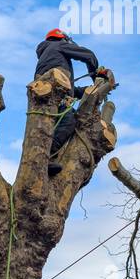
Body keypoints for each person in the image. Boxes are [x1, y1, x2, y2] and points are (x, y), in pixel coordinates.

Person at [34, 29, 108, 175]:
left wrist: (90, 90)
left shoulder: (48, 57)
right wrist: (97, 75)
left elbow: (69, 89)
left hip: (46, 96)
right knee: (69, 122)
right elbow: (89, 55)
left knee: (59, 125)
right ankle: (46, 157)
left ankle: (47, 157)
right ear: (61, 38)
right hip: (56, 96)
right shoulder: (57, 45)